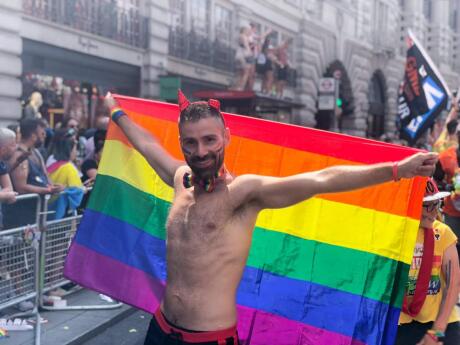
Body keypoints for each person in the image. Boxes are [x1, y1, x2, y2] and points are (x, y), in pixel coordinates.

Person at [105, 91, 438, 345]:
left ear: (226, 138)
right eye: (191, 142)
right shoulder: (180, 180)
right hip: (161, 329)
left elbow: (323, 180)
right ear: (181, 143)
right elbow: (147, 145)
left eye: (210, 139)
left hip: (209, 338)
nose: (201, 150)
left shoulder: (244, 193)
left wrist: (398, 169)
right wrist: (116, 111)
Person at [395, 178, 459, 345]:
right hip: (402, 322)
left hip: (441, 322)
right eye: (427, 205)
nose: (433, 211)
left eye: (436, 204)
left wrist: (436, 332)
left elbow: (453, 286)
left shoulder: (443, 232)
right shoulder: (393, 234)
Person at [5, 119, 63, 228]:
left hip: (36, 214)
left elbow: (45, 175)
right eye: (42, 133)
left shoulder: (35, 152)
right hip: (21, 217)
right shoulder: (18, 155)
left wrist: (53, 186)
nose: (45, 136)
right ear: (33, 135)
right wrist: (47, 190)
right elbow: (21, 187)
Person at [0, 128, 18, 229]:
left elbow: (8, 188)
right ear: (3, 149)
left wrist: (6, 194)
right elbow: (8, 193)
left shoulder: (1, 164)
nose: (16, 148)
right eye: (12, 145)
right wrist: (5, 196)